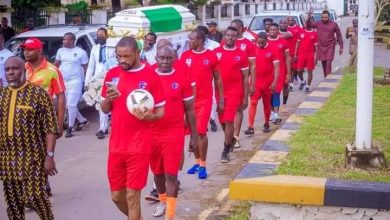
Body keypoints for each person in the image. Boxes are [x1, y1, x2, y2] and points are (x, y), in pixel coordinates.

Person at [100, 36, 165, 220]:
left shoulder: (151, 75)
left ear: (137, 53)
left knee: (132, 197)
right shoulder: (112, 74)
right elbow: (104, 109)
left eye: (127, 56)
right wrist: (107, 100)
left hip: (140, 146)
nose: (122, 60)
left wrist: (150, 116)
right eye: (119, 56)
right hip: (116, 146)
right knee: (117, 197)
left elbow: (160, 111)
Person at [0, 56, 59, 220]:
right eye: (7, 69)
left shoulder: (38, 94)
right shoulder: (2, 95)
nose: (11, 72)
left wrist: (50, 156)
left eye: (15, 68)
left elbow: (51, 128)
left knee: (35, 197)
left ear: (24, 70)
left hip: (32, 158)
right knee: (13, 203)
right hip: (7, 159)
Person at [150, 45, 198, 219]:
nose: (165, 62)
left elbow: (190, 109)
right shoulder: (148, 75)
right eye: (161, 58)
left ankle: (170, 215)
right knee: (157, 173)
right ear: (156, 58)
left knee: (171, 174)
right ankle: (163, 201)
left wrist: (194, 136)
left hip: (173, 133)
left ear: (174, 59)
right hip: (152, 133)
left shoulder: (181, 77)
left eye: (168, 58)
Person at [181, 30, 224, 179]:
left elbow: (218, 79)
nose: (189, 41)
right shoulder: (185, 56)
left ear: (199, 41)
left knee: (200, 132)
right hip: (188, 102)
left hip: (204, 100)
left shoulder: (210, 56)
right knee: (193, 133)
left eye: (191, 39)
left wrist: (221, 99)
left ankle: (203, 165)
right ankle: (197, 162)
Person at [215, 26, 249, 163]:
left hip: (235, 91)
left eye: (233, 36)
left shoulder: (241, 54)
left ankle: (225, 150)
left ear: (237, 37)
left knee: (229, 120)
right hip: (219, 92)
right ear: (225, 36)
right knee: (222, 120)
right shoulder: (216, 52)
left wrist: (245, 96)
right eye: (228, 35)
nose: (230, 38)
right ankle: (231, 139)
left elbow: (245, 77)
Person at [24, 37, 66, 138]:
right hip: (23, 118)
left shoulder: (52, 70)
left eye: (30, 49)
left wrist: (59, 125)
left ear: (39, 50)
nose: (26, 52)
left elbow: (61, 98)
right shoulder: (22, 68)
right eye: (25, 49)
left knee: (43, 152)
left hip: (44, 118)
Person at [54, 32, 89, 138]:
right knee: (67, 105)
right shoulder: (61, 51)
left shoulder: (81, 52)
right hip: (62, 81)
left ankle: (70, 128)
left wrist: (86, 82)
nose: (64, 41)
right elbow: (56, 64)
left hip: (76, 81)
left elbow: (86, 67)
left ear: (72, 40)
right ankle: (83, 121)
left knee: (71, 105)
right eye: (63, 39)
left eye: (66, 39)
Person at [244, 32, 280, 136]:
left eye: (262, 43)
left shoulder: (273, 49)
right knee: (253, 102)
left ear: (266, 40)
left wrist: (274, 82)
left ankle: (266, 123)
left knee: (266, 104)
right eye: (258, 42)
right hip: (255, 82)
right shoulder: (252, 49)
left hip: (268, 82)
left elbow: (277, 67)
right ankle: (250, 127)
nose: (260, 44)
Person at [229, 19, 256, 149]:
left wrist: (252, 84)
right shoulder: (225, 43)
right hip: (226, 84)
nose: (232, 32)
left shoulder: (248, 44)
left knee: (238, 109)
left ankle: (236, 136)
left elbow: (253, 66)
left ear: (240, 29)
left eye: (235, 28)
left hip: (241, 83)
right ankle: (228, 134)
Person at [85, 28, 116, 139]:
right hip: (98, 78)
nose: (99, 37)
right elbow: (91, 65)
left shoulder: (112, 47)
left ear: (107, 36)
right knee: (101, 103)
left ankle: (113, 125)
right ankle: (102, 128)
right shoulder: (95, 48)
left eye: (101, 35)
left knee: (113, 102)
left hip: (111, 78)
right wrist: (87, 81)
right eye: (98, 35)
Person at [196, 25, 220, 132]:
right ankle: (202, 122)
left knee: (212, 98)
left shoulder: (214, 45)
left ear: (205, 35)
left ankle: (212, 118)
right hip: (197, 78)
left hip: (211, 76)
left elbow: (218, 63)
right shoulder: (192, 45)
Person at [267, 23, 291, 124]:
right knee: (269, 94)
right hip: (267, 72)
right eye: (271, 30)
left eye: (274, 30)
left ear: (278, 31)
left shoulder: (283, 42)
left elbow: (287, 58)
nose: (272, 31)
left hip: (279, 72)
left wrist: (288, 73)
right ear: (269, 30)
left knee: (276, 92)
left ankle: (276, 114)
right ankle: (272, 112)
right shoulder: (265, 41)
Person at [311, 10, 343, 77]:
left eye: (326, 17)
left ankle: (328, 76)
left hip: (330, 45)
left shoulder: (333, 24)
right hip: (321, 46)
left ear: (329, 17)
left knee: (328, 61)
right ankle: (326, 76)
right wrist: (309, 17)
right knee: (324, 62)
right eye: (323, 17)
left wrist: (341, 46)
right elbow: (309, 26)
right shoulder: (318, 23)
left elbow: (339, 35)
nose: (324, 19)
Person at [295, 18, 318, 93]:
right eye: (307, 22)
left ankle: (307, 87)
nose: (308, 23)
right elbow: (297, 43)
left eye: (310, 22)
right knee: (298, 70)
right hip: (301, 54)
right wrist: (295, 54)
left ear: (313, 23)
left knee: (310, 71)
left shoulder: (314, 34)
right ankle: (302, 81)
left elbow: (316, 47)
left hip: (310, 54)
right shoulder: (301, 32)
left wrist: (316, 57)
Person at [278, 19, 294, 114]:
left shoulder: (289, 33)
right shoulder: (274, 32)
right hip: (275, 63)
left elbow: (286, 35)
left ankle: (284, 104)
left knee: (285, 84)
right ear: (279, 24)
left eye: (285, 23)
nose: (283, 24)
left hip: (286, 62)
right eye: (281, 23)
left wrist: (277, 35)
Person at [287, 16, 302, 88]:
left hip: (296, 52)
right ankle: (290, 83)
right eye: (288, 20)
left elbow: (301, 41)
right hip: (287, 52)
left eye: (291, 20)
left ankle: (293, 81)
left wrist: (298, 53)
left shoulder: (298, 28)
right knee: (288, 68)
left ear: (294, 21)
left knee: (294, 68)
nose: (290, 21)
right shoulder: (285, 28)